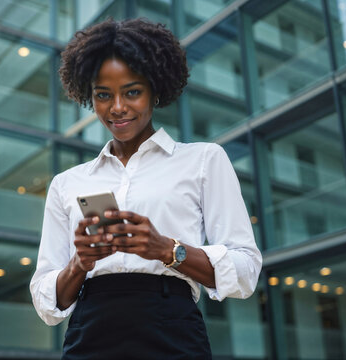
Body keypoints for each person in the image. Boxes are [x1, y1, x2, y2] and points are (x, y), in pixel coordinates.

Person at [30, 18, 262, 359]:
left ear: (155, 89)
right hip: (89, 332)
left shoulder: (203, 160)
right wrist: (79, 264)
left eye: (132, 92)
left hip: (172, 328)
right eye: (103, 95)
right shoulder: (67, 183)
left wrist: (166, 249)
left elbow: (246, 270)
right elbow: (47, 301)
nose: (118, 107)